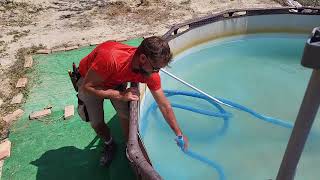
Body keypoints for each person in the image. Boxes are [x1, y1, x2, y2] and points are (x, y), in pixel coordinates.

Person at [76, 36, 189, 167]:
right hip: (90, 81)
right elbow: (88, 87)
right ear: (142, 59)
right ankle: (109, 143)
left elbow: (164, 105)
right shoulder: (111, 59)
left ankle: (128, 147)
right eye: (155, 68)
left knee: (127, 116)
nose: (156, 73)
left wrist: (179, 134)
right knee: (97, 123)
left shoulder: (149, 73)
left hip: (115, 80)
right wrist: (119, 95)